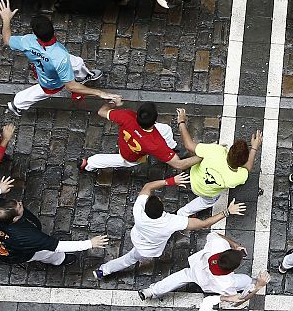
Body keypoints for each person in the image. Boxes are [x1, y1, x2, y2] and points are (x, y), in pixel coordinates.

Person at [93, 173, 246, 279]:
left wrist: (170, 181)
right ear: (161, 206)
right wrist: (227, 212)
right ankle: (105, 271)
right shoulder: (171, 222)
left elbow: (147, 187)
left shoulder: (138, 211)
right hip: (149, 248)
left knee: (129, 259)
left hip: (140, 238)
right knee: (130, 258)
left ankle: (103, 271)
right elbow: (203, 224)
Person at [0, 0, 118, 117]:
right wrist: (100, 93)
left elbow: (7, 39)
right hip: (51, 81)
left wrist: (6, 19)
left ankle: (83, 76)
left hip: (46, 65)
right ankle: (17, 104)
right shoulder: (61, 57)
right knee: (38, 92)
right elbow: (71, 86)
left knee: (77, 62)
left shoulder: (27, 41)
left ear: (35, 34)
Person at [139, 231, 270, 307]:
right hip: (211, 285)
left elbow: (215, 234)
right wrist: (258, 285)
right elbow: (239, 300)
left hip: (196, 270)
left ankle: (151, 291)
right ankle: (253, 282)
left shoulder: (218, 245)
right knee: (247, 281)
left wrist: (234, 245)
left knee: (178, 278)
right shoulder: (226, 283)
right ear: (232, 270)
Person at [0, 195, 107, 266]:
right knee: (47, 253)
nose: (20, 203)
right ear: (15, 219)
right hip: (19, 253)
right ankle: (60, 260)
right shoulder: (27, 236)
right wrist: (89, 244)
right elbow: (58, 246)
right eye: (19, 206)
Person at [176, 108, 262, 217]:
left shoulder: (216, 151)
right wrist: (254, 148)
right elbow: (248, 168)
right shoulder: (239, 177)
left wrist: (181, 122)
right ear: (242, 163)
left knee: (200, 153)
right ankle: (183, 213)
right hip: (208, 193)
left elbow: (189, 145)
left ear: (229, 151)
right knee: (206, 202)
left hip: (194, 179)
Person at [80, 102, 201, 172]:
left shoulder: (126, 116)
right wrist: (202, 157)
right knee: (121, 160)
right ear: (154, 121)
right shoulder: (156, 144)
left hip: (127, 142)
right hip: (132, 156)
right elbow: (179, 164)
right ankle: (90, 164)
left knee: (166, 129)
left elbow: (102, 111)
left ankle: (172, 147)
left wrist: (111, 102)